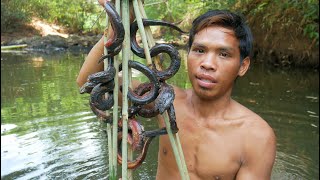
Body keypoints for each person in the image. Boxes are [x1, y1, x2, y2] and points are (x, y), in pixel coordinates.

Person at [77, 1, 277, 179]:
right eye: (199, 50)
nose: (207, 63)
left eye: (224, 54)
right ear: (187, 54)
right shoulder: (164, 99)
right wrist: (117, 27)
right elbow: (90, 83)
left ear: (243, 66)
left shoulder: (256, 136)